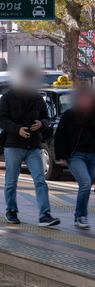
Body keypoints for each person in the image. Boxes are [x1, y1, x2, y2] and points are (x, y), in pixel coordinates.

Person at [0, 65, 59, 228]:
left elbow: (47, 117)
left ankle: (45, 215)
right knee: (11, 181)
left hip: (33, 146)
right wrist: (18, 129)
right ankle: (11, 211)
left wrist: (41, 123)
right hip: (13, 145)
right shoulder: (8, 98)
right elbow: (0, 119)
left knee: (40, 180)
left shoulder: (37, 98)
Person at [55, 85, 95, 230]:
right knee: (85, 182)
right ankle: (80, 216)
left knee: (88, 184)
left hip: (93, 154)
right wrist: (61, 154)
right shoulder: (70, 115)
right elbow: (60, 135)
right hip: (75, 155)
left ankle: (80, 215)